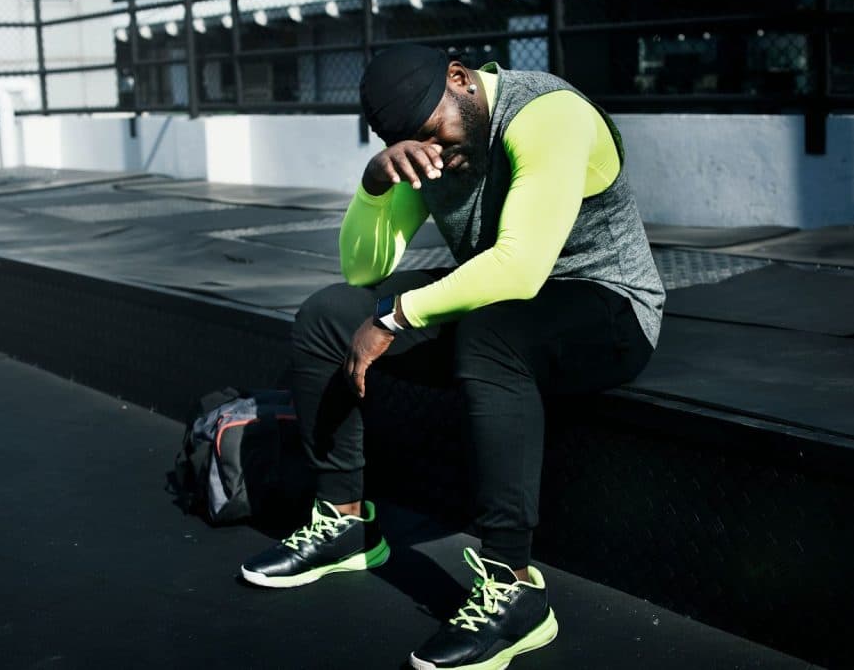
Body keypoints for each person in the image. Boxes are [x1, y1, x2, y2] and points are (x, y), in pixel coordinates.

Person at [240, 44, 665, 670]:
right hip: (502, 307)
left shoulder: (547, 112)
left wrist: (395, 317)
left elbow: (520, 267)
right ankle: (345, 522)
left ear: (461, 79)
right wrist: (375, 187)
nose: (435, 151)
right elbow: (361, 269)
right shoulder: (432, 148)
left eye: (434, 130)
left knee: (489, 333)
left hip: (608, 308)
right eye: (413, 143)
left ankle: (514, 590)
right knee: (329, 314)